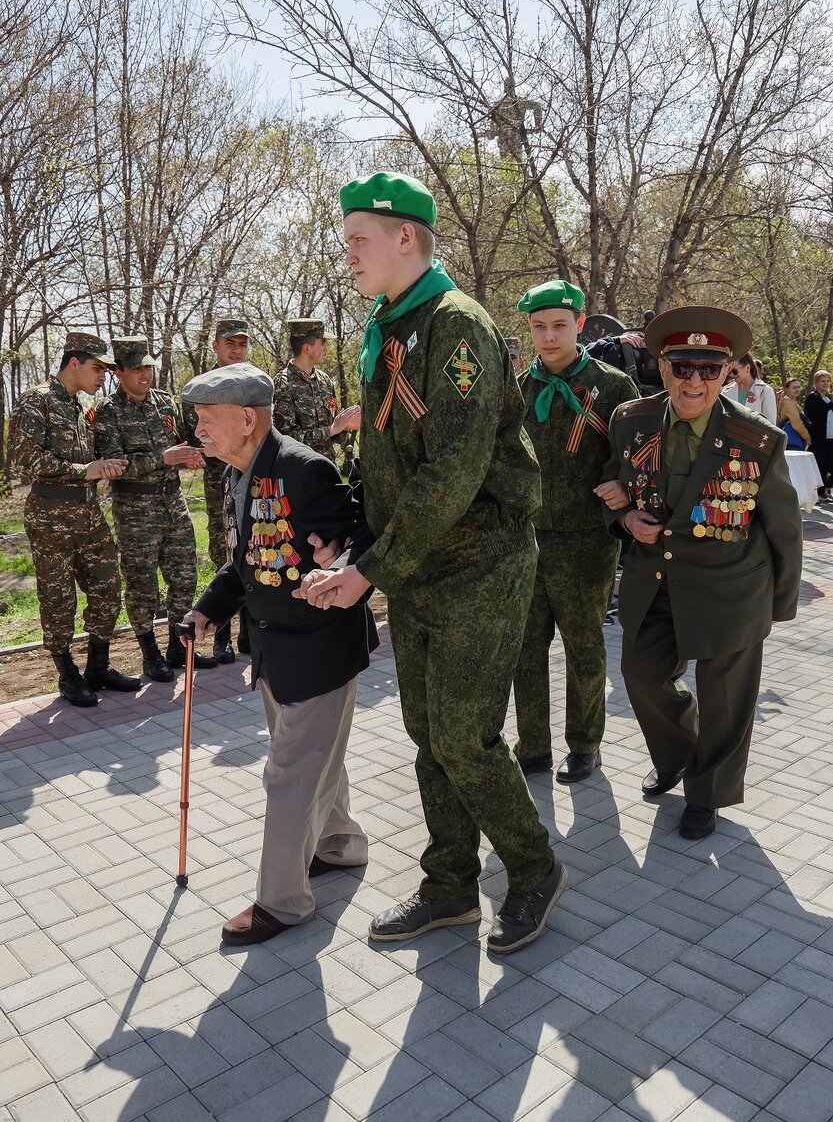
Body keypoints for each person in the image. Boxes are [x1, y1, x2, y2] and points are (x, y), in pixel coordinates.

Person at [295, 170, 568, 956]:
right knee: (426, 732)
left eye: (357, 241)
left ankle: (532, 865)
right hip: (415, 564)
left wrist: (370, 570)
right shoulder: (392, 327)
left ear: (403, 236)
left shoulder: (455, 326)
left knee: (464, 735)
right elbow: (391, 461)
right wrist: (355, 543)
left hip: (478, 561)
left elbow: (453, 466)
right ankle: (449, 884)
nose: (346, 254)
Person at [180, 363, 375, 945]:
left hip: (319, 649)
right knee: (317, 760)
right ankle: (339, 845)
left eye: (207, 420)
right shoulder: (238, 475)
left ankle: (282, 902)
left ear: (247, 418)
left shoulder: (303, 468)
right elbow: (245, 563)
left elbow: (365, 532)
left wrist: (338, 559)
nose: (199, 432)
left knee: (288, 776)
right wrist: (209, 608)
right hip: (272, 650)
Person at [601, 308, 803, 839]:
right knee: (642, 678)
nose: (694, 381)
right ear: (662, 366)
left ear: (729, 372)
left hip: (730, 585)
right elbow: (611, 480)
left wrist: (779, 605)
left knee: (726, 699)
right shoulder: (631, 419)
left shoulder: (756, 437)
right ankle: (677, 758)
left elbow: (783, 526)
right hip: (657, 579)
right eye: (683, 367)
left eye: (709, 370)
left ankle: (707, 793)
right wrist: (624, 516)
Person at [512, 280, 638, 782]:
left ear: (579, 325)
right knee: (526, 647)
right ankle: (533, 744)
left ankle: (585, 743)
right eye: (539, 327)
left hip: (588, 540)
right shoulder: (518, 389)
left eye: (559, 326)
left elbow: (640, 455)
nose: (549, 336)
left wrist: (623, 486)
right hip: (528, 538)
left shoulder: (613, 387)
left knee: (584, 644)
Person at [9, 332, 140, 706]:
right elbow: (24, 460)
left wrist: (104, 467)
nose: (103, 376)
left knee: (107, 589)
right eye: (97, 368)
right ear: (73, 363)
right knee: (58, 599)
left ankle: (98, 666)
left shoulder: (79, 406)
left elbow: (89, 464)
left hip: (87, 512)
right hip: (51, 516)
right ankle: (67, 674)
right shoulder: (37, 401)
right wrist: (86, 470)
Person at [94, 336, 217, 681]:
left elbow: (188, 441)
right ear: (119, 372)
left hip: (173, 502)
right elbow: (112, 464)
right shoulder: (107, 412)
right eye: (137, 368)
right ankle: (150, 653)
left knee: (184, 575)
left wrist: (194, 455)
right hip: (135, 510)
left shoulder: (165, 404)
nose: (145, 374)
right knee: (142, 584)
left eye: (148, 366)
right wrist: (161, 459)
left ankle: (178, 648)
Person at [184, 317, 252, 663]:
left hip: (256, 480)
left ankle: (250, 633)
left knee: (259, 547)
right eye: (230, 344)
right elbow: (188, 434)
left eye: (242, 344)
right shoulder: (202, 387)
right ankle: (221, 636)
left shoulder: (255, 383)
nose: (237, 350)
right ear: (215, 346)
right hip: (218, 486)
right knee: (226, 555)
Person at [272, 318, 360, 464]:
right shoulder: (283, 383)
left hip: (329, 467)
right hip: (301, 470)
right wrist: (331, 430)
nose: (325, 348)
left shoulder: (325, 381)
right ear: (307, 348)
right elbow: (286, 438)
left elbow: (333, 422)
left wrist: (347, 425)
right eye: (322, 343)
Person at [723, 352, 777, 423]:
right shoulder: (725, 392)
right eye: (729, 372)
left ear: (747, 367)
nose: (732, 375)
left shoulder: (765, 391)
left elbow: (771, 424)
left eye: (735, 371)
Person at [804, 370, 833, 500]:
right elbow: (814, 415)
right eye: (822, 380)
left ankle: (827, 486)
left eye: (828, 381)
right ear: (816, 383)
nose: (825, 383)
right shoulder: (813, 397)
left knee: (829, 464)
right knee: (819, 464)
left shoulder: (830, 398)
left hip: (831, 437)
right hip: (818, 438)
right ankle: (819, 493)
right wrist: (829, 405)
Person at [777, 377, 812, 450]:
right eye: (794, 388)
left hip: (787, 439)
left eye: (798, 387)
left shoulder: (787, 402)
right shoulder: (789, 404)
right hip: (793, 440)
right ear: (786, 389)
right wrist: (807, 437)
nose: (797, 389)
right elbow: (797, 424)